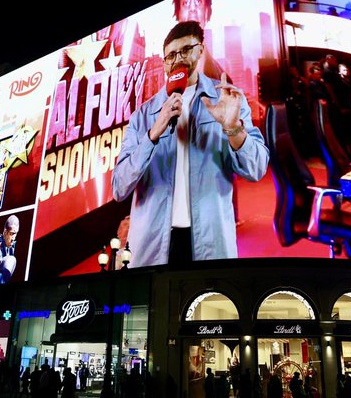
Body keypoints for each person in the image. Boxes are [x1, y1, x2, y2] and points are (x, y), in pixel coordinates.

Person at [112, 21, 268, 267]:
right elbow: (119, 187)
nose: (177, 59)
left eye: (186, 50)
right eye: (170, 55)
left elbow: (256, 168)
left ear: (200, 50)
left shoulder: (227, 99)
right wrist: (153, 133)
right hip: (152, 248)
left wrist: (232, 128)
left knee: (210, 306)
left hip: (210, 245)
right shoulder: (144, 114)